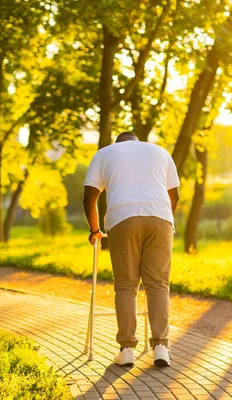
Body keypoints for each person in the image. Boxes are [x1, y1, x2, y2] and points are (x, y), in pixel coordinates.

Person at [83, 131, 180, 367]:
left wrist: (95, 230)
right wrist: (163, 220)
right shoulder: (160, 152)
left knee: (126, 285)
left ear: (119, 143)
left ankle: (126, 350)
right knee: (158, 284)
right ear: (137, 141)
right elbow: (174, 195)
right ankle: (161, 347)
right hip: (160, 218)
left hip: (122, 218)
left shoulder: (104, 154)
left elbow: (89, 197)